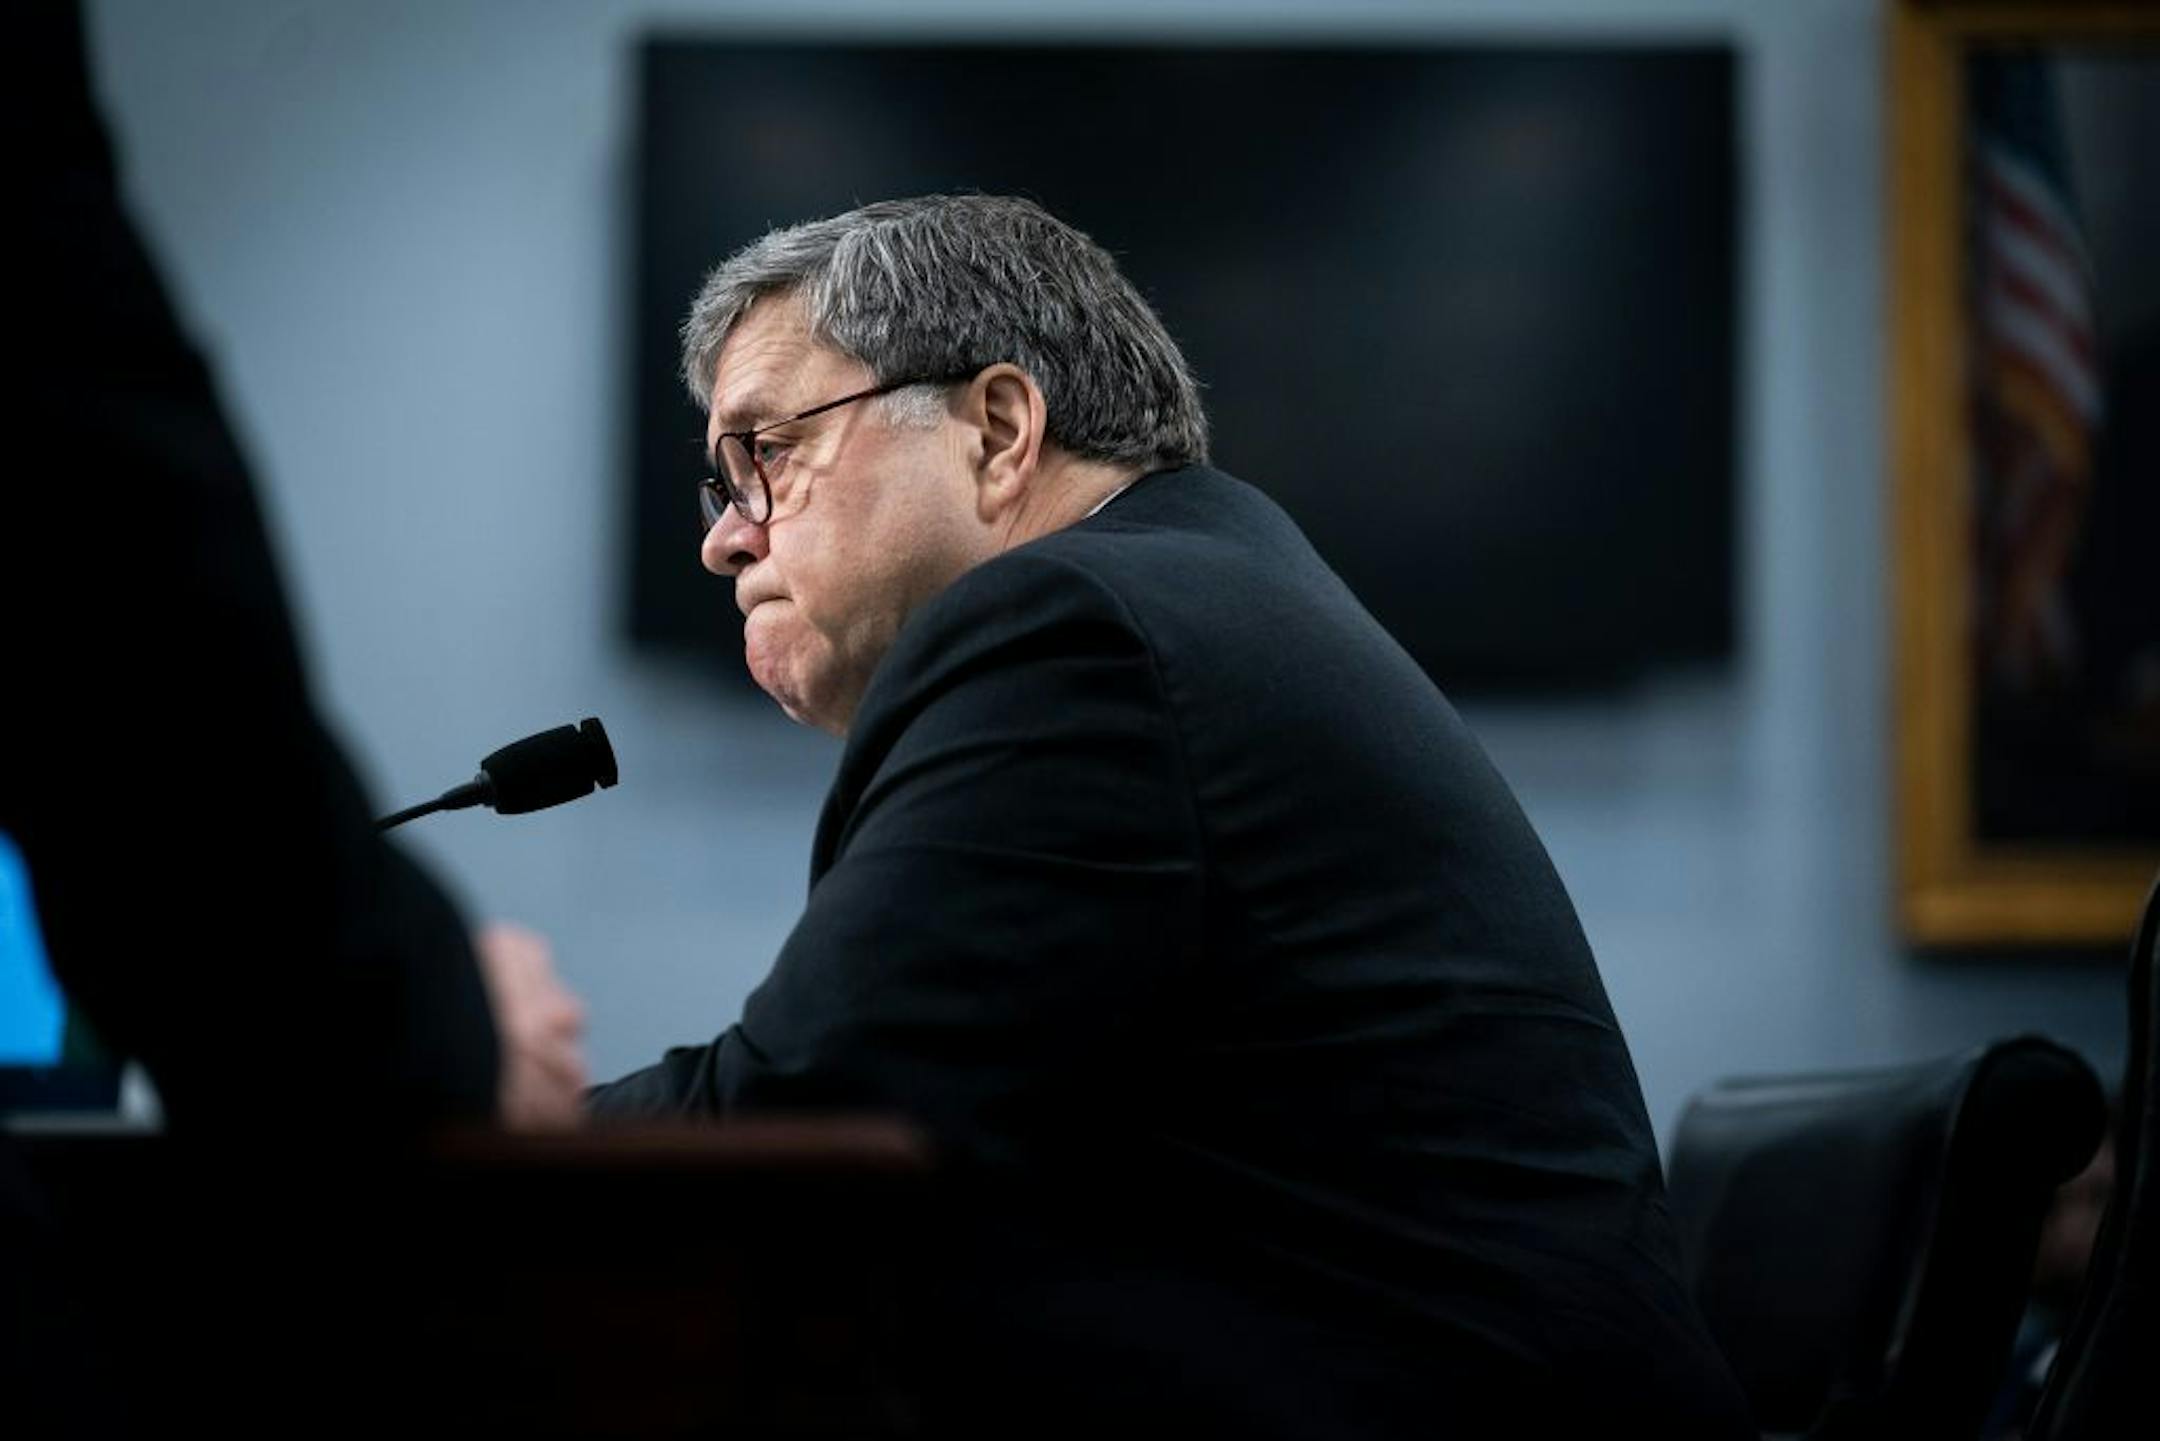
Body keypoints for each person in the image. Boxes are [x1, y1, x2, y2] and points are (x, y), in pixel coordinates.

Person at [587, 194, 1753, 1435]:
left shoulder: (1076, 631)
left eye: (766, 451)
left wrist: (486, 1114)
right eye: (719, 479)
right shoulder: (1191, 583)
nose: (725, 538)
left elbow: (809, 1133)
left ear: (995, 430)